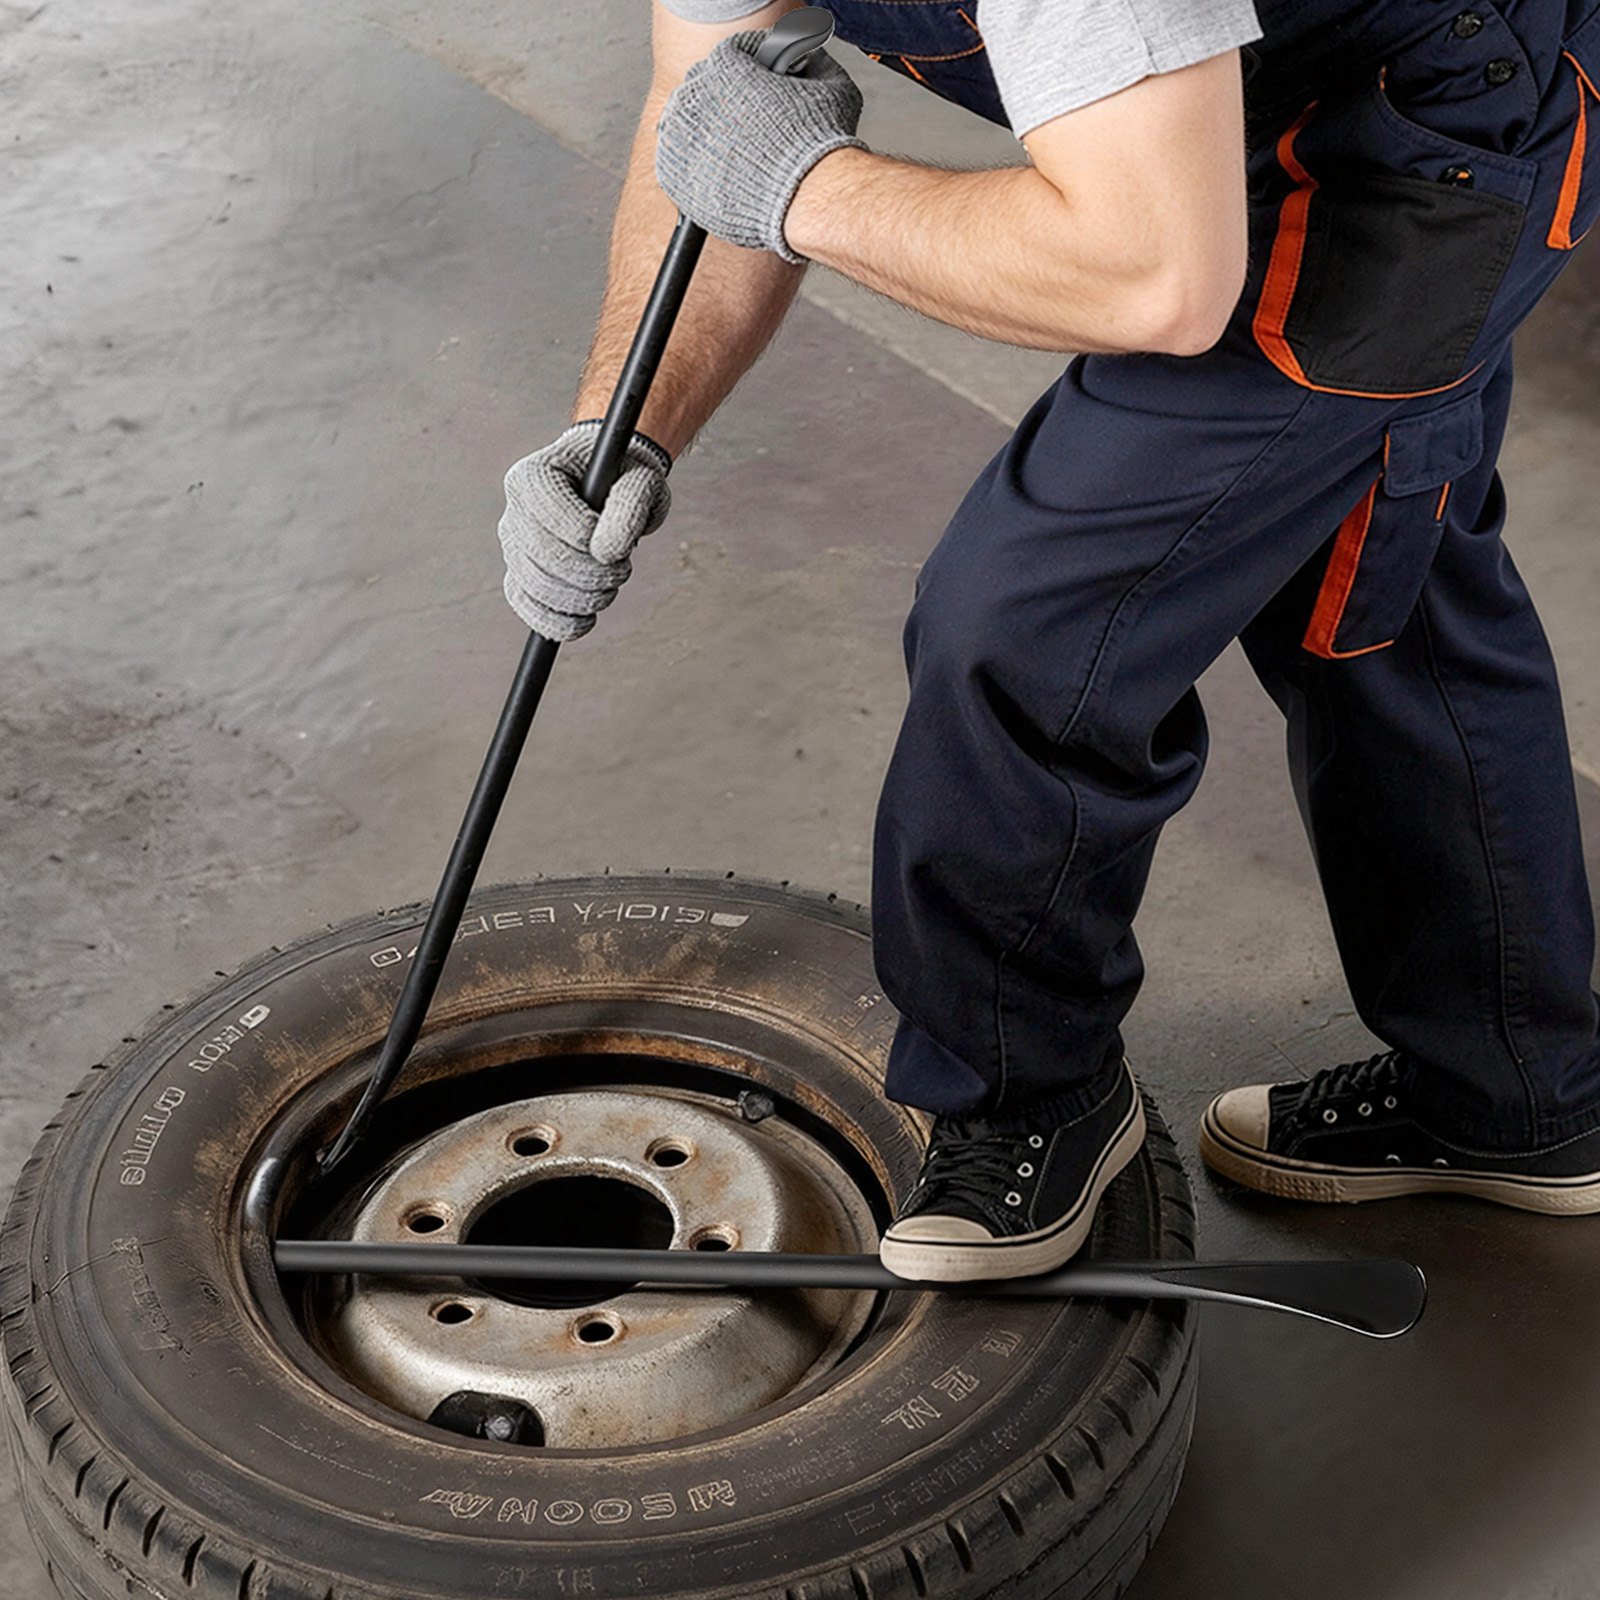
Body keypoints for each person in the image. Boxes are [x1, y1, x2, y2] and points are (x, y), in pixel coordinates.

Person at [497, 0, 1600, 1281]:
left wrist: (809, 186)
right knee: (1376, 594)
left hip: (1425, 119)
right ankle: (1518, 1094)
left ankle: (1033, 1097)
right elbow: (709, 112)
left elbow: (1156, 280)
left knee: (1021, 631)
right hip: (1233, 89)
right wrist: (623, 427)